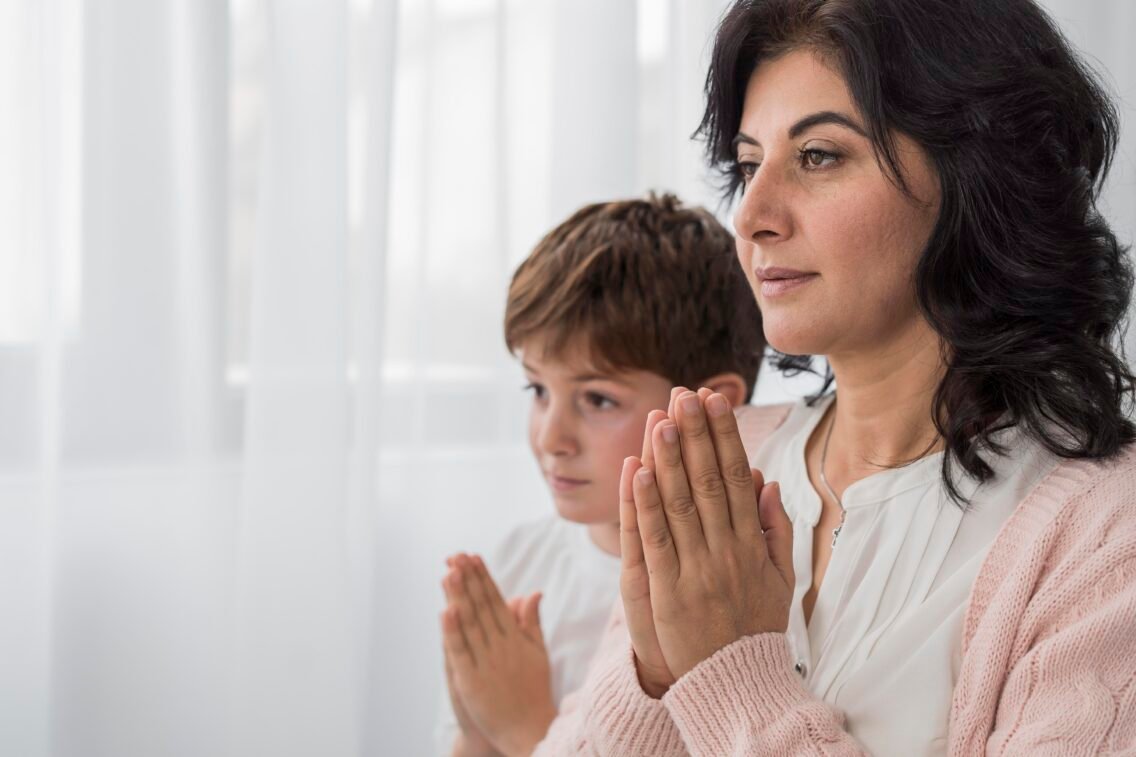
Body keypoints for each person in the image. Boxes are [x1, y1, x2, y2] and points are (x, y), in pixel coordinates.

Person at [531, 0, 1136, 754]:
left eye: (818, 155)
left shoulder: (1106, 538)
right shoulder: (723, 463)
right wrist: (656, 668)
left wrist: (728, 669)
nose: (752, 214)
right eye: (750, 164)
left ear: (976, 177)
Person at [434, 194, 766, 756]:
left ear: (712, 407)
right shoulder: (522, 560)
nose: (549, 438)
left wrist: (523, 730)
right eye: (538, 390)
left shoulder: (735, 600)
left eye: (596, 399)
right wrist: (474, 726)